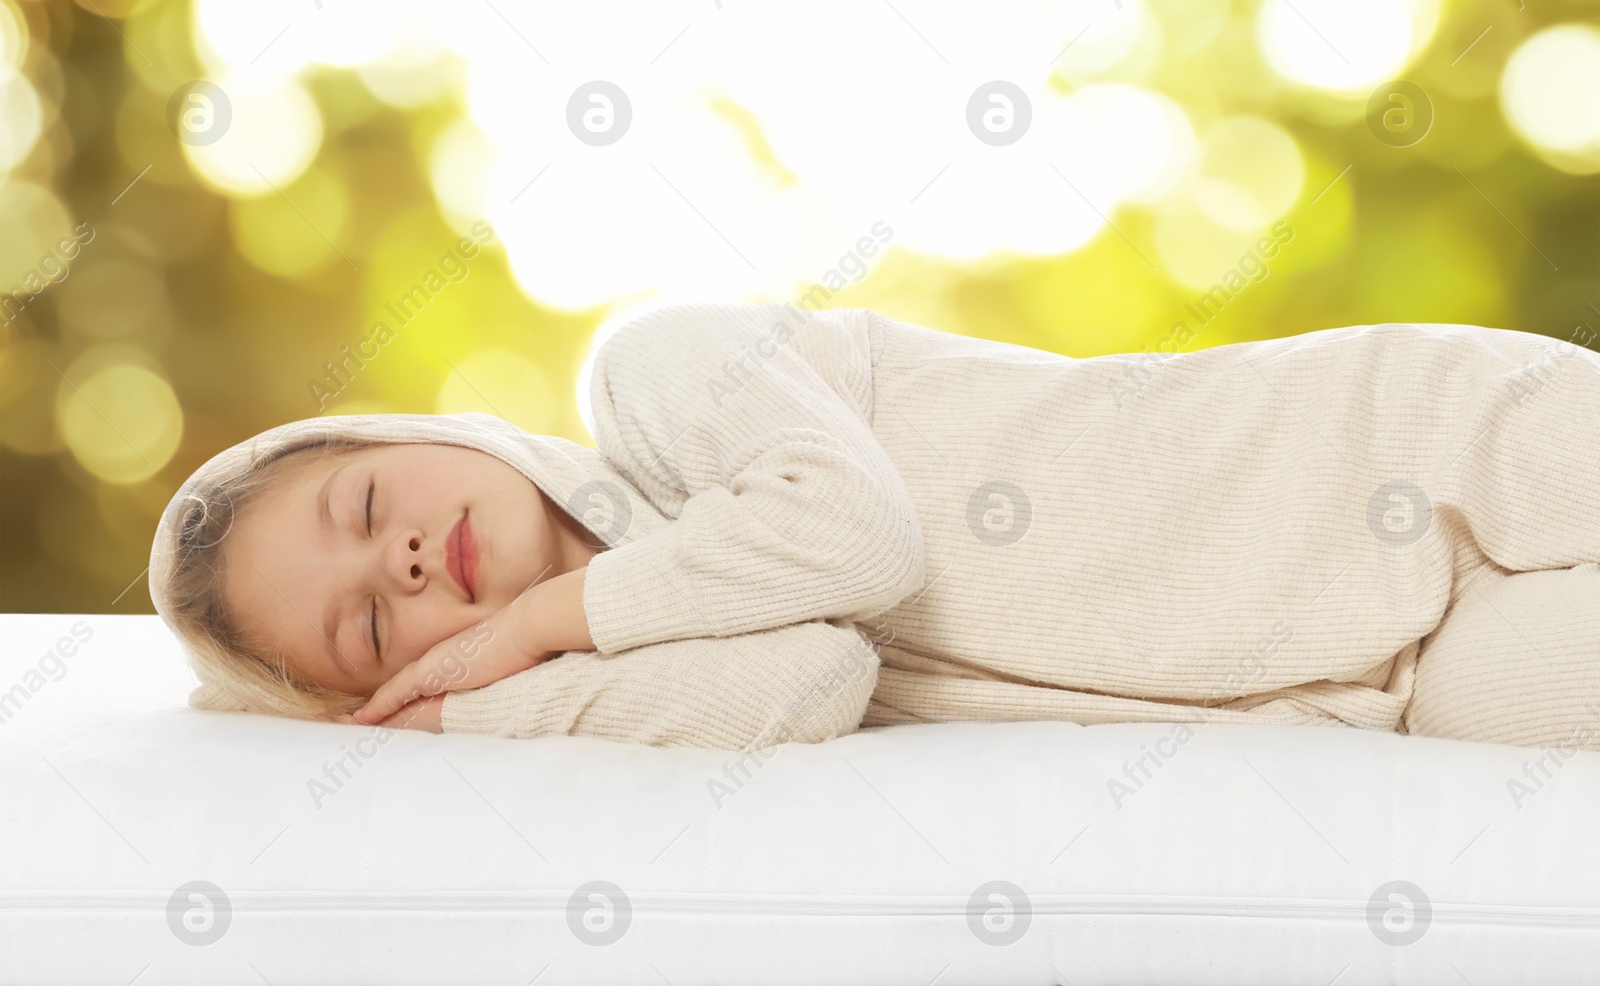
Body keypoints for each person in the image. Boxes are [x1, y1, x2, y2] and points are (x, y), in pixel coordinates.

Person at [148, 301, 1600, 753]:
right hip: (1392, 678)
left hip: (1403, 443)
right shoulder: (617, 674)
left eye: (364, 506)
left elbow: (858, 538)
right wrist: (487, 713)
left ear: (425, 436)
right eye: (369, 629)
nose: (397, 562)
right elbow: (814, 679)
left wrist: (532, 622)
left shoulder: (655, 376)